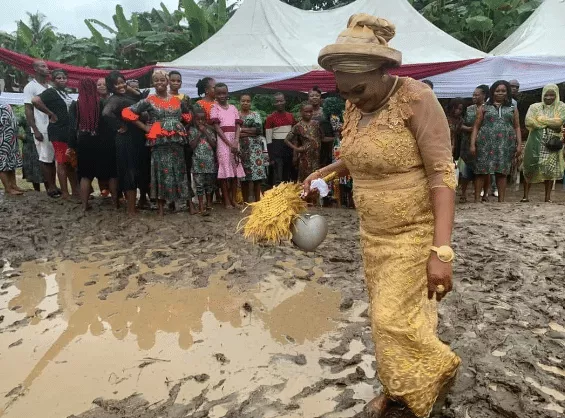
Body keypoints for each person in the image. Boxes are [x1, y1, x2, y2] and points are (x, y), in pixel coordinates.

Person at [311, 15, 460, 417]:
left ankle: (435, 370)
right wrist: (326, 172)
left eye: (358, 89)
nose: (352, 99)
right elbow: (359, 155)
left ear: (383, 70)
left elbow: (443, 173)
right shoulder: (356, 104)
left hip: (414, 232)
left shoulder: (416, 98)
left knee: (391, 318)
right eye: (345, 91)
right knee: (391, 320)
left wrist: (441, 251)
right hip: (372, 235)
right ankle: (397, 387)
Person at [122, 70, 193, 216]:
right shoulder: (149, 100)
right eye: (156, 80)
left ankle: (189, 204)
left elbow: (187, 115)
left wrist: (179, 125)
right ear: (153, 83)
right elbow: (127, 112)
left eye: (162, 80)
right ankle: (161, 208)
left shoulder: (177, 100)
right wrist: (145, 127)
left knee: (180, 171)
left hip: (176, 141)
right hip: (159, 141)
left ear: (167, 82)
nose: (159, 83)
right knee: (160, 172)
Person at [102, 71, 149, 215]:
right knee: (130, 172)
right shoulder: (115, 99)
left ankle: (136, 204)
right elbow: (106, 113)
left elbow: (138, 96)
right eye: (117, 84)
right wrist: (118, 125)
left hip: (136, 137)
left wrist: (125, 86)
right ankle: (130, 209)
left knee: (138, 169)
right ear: (111, 86)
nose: (121, 85)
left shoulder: (125, 95)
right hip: (127, 138)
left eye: (122, 81)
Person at [68, 79, 119, 211]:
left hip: (85, 143)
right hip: (105, 143)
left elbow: (72, 128)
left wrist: (71, 145)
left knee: (85, 176)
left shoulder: (75, 105)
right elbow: (110, 123)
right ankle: (115, 203)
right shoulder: (102, 103)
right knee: (112, 174)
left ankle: (84, 205)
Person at [470, 80, 522, 203]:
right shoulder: (484, 108)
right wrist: (472, 144)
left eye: (503, 91)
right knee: (481, 171)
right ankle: (477, 200)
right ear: (492, 92)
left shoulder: (512, 108)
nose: (500, 93)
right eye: (497, 90)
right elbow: (476, 126)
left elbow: (517, 127)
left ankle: (501, 201)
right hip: (484, 143)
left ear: (507, 92)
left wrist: (519, 145)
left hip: (505, 144)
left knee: (502, 172)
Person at [32, 69, 78, 201]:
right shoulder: (50, 92)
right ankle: (65, 193)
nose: (62, 80)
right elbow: (35, 100)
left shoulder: (64, 93)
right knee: (62, 162)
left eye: (64, 77)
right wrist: (50, 113)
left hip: (68, 131)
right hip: (58, 131)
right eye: (59, 78)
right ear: (53, 80)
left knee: (69, 162)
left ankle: (75, 190)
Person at [522, 84, 565, 203]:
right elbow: (529, 122)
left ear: (556, 95)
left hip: (552, 143)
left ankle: (548, 198)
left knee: (549, 170)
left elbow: (559, 122)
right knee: (530, 166)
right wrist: (551, 123)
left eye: (552, 95)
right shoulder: (535, 107)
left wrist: (541, 120)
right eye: (546, 94)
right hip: (535, 142)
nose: (549, 97)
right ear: (542, 95)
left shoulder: (561, 106)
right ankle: (525, 196)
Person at [23, 60, 59, 197]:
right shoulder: (30, 87)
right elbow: (28, 109)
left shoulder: (49, 87)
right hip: (41, 127)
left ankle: (54, 185)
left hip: (52, 127)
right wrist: (35, 129)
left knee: (52, 158)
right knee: (44, 157)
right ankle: (49, 187)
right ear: (35, 69)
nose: (46, 68)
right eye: (43, 66)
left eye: (47, 66)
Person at [210, 83, 245, 208]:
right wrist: (229, 143)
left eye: (224, 93)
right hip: (223, 142)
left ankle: (234, 199)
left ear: (227, 93)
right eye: (218, 93)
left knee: (235, 172)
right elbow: (217, 128)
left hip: (235, 142)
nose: (221, 96)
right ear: (215, 94)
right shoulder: (214, 108)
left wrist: (236, 141)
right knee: (224, 173)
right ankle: (226, 200)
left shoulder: (234, 108)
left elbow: (237, 126)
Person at [459, 85, 488, 203]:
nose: (474, 97)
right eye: (473, 94)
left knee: (483, 170)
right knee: (465, 169)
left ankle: (483, 194)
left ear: (484, 95)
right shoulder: (469, 109)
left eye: (477, 95)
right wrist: (470, 129)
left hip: (484, 143)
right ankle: (463, 193)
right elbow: (460, 124)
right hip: (467, 143)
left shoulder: (489, 108)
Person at [189, 104, 217, 214]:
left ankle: (209, 203)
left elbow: (214, 145)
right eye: (198, 119)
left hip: (209, 162)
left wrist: (205, 131)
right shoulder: (191, 130)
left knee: (209, 184)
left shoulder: (210, 130)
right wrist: (200, 132)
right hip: (197, 162)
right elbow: (191, 146)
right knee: (199, 185)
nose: (200, 121)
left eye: (203, 119)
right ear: (194, 119)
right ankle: (201, 205)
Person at [239, 94, 267, 203]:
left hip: (255, 149)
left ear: (250, 103)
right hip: (241, 149)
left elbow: (258, 131)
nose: (245, 103)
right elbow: (235, 131)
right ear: (240, 102)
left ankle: (257, 201)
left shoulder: (256, 114)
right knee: (243, 177)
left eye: (248, 101)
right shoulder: (236, 115)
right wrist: (249, 131)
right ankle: (245, 201)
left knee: (257, 176)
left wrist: (242, 130)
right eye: (243, 101)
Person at [285, 102, 322, 183]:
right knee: (305, 178)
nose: (309, 114)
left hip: (316, 156)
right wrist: (297, 149)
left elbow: (322, 137)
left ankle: (315, 195)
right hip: (305, 157)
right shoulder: (298, 126)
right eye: (306, 111)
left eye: (311, 111)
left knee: (316, 178)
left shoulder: (316, 124)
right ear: (301, 112)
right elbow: (287, 140)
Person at [265, 93, 296, 185]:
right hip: (276, 148)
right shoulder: (270, 118)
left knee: (287, 173)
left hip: (288, 147)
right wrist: (271, 156)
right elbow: (268, 138)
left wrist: (294, 150)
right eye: (277, 101)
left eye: (281, 101)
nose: (279, 103)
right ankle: (278, 195)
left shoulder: (291, 116)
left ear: (285, 101)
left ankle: (287, 196)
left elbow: (294, 134)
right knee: (278, 174)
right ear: (274, 103)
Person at [0, 101, 23, 195]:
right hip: (2, 141)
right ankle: (8, 188)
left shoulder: (6, 104)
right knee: (3, 164)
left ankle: (14, 185)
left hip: (11, 140)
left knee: (11, 163)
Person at [308, 86, 335, 166]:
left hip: (327, 146)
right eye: (312, 96)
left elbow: (335, 128)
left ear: (320, 98)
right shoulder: (305, 113)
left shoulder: (327, 112)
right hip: (311, 147)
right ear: (308, 98)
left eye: (317, 95)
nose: (314, 98)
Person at [96, 77, 111, 197]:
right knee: (100, 164)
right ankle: (104, 189)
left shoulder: (115, 99)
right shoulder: (94, 101)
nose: (101, 86)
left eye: (104, 84)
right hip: (99, 136)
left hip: (114, 134)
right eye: (98, 84)